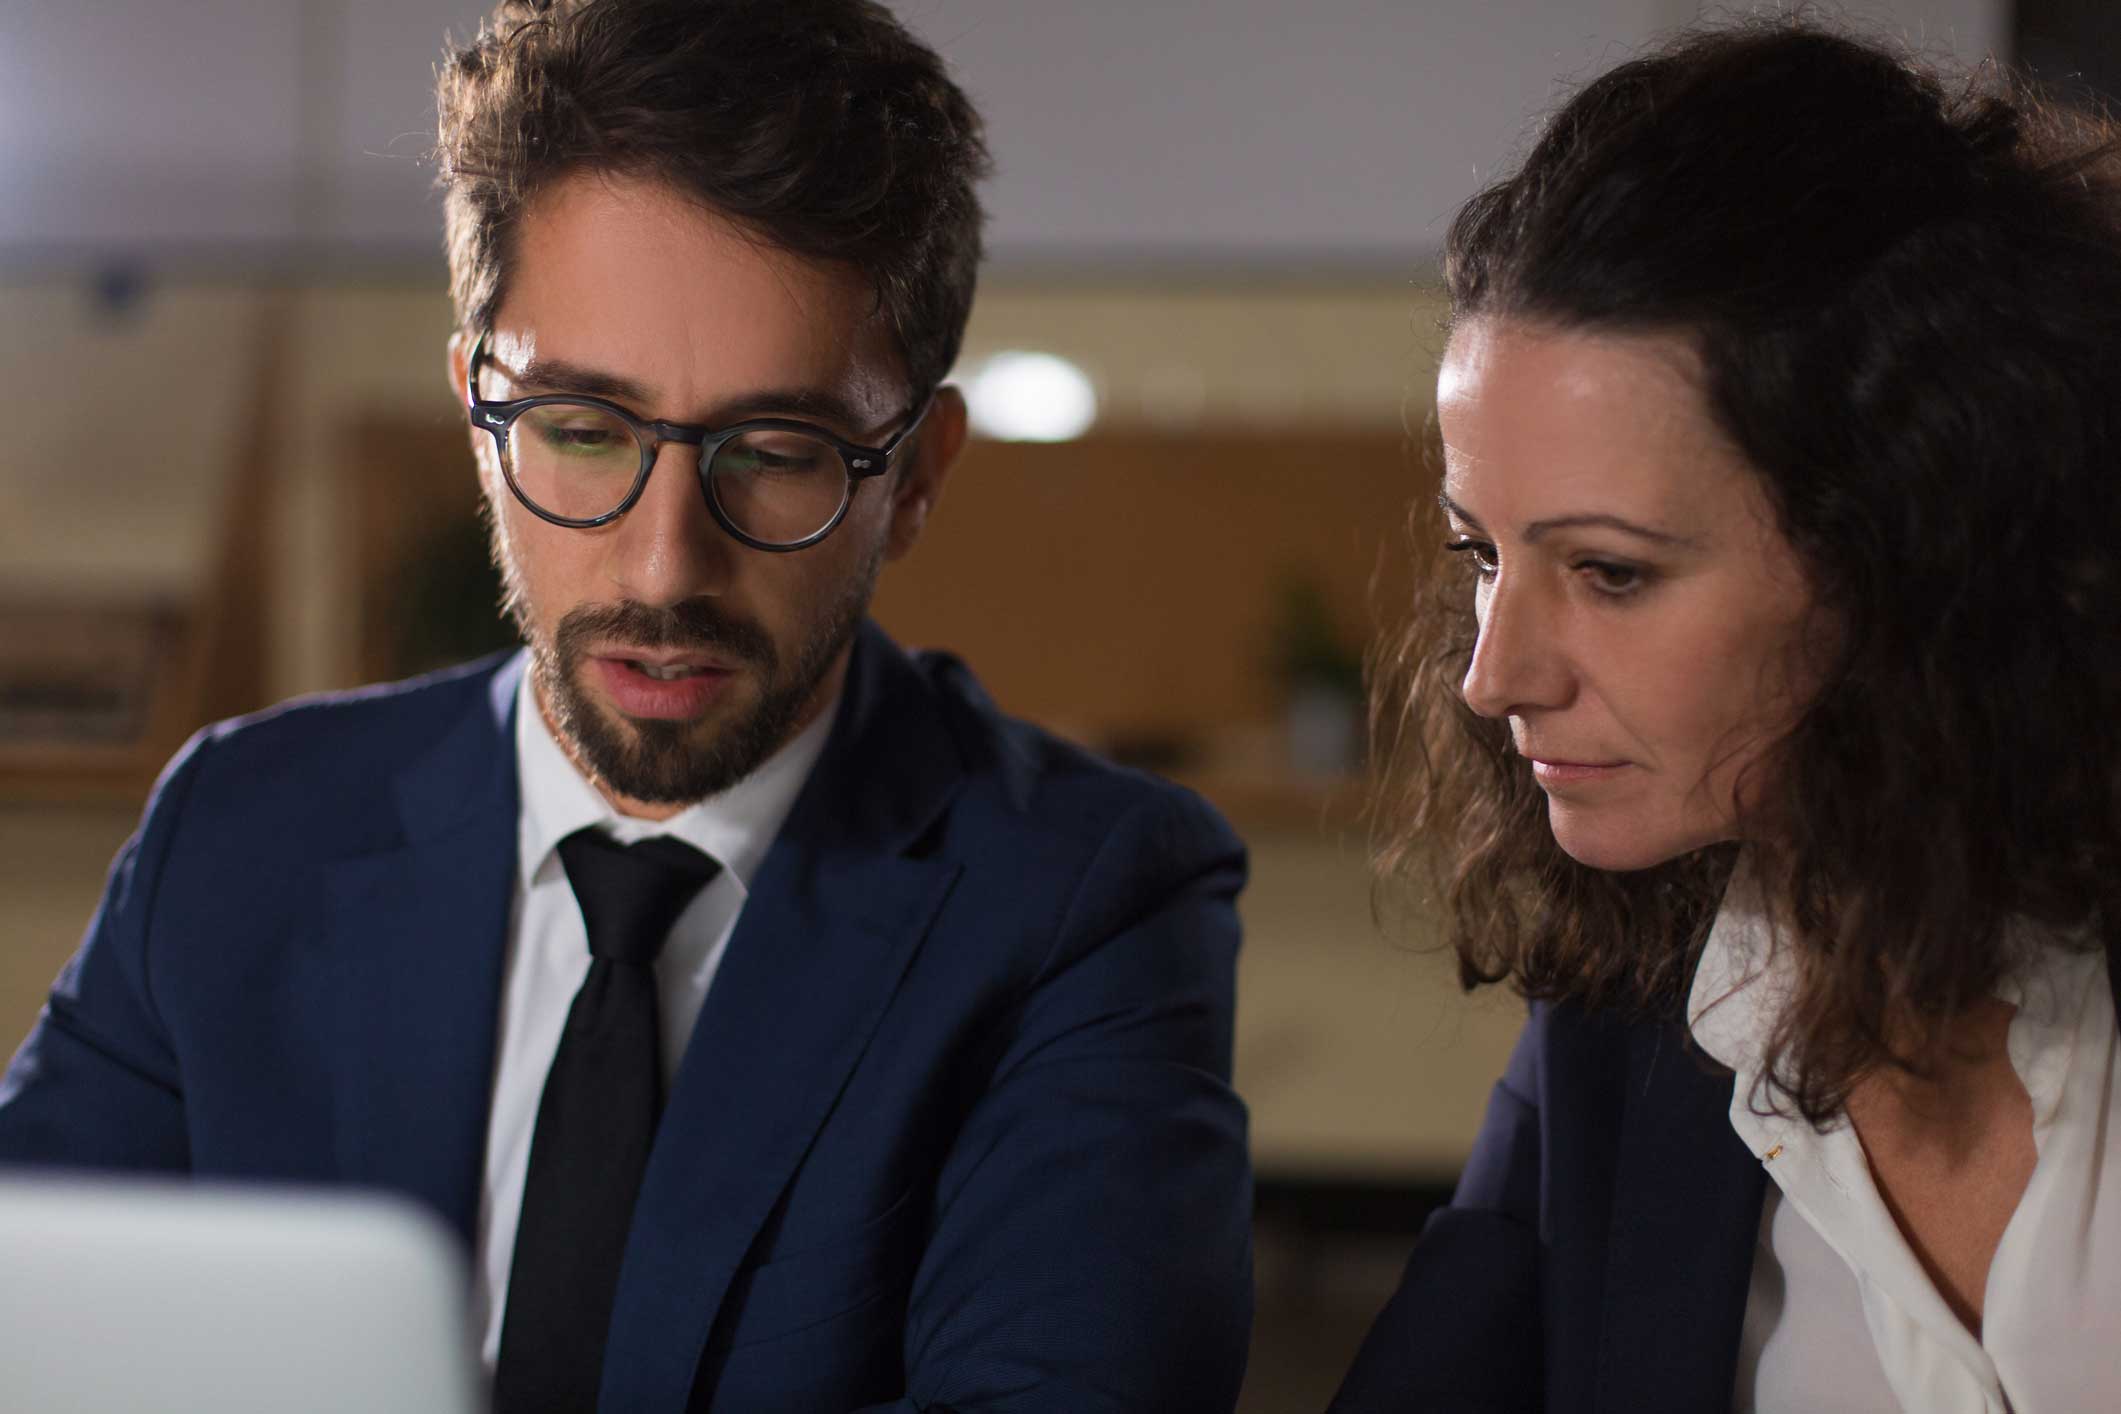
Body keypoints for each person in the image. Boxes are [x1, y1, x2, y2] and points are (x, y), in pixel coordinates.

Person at [0, 3, 1255, 1411]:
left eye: (775, 452)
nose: (666, 567)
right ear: (479, 411)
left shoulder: (1080, 906)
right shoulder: (239, 832)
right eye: (584, 433)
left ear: (915, 475)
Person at [1332, 19, 2121, 1414]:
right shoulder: (1626, 1012)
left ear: (1908, 546)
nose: (1490, 673)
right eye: (1478, 555)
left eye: (1610, 572)